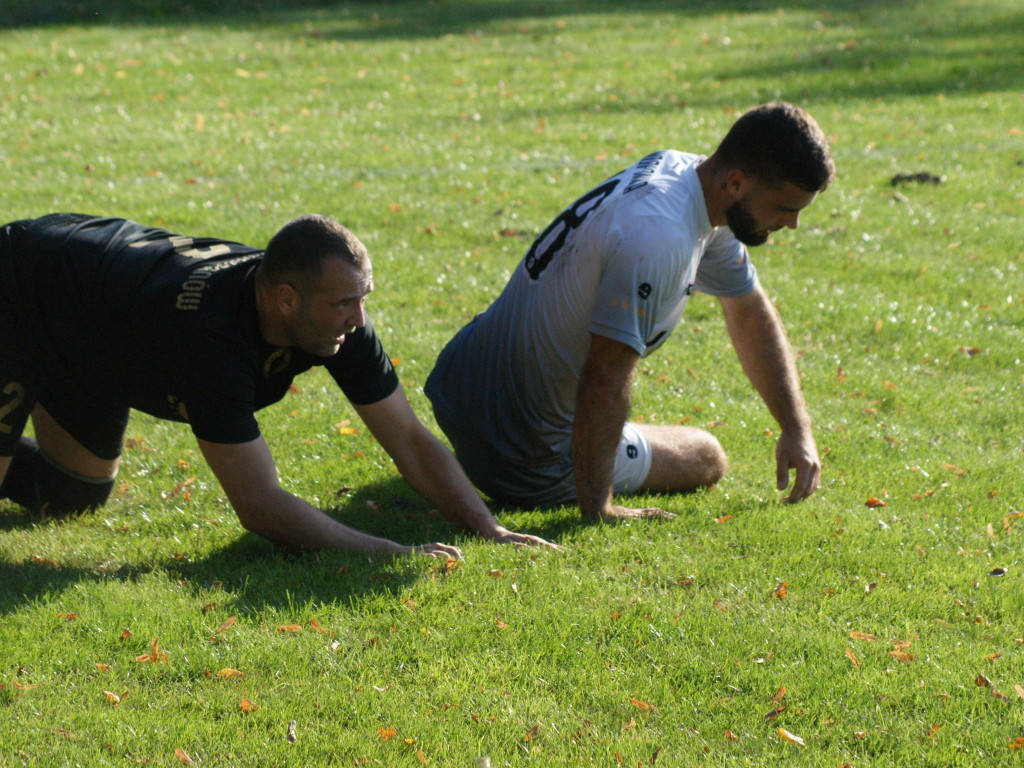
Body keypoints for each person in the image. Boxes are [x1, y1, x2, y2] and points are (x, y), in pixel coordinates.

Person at [0, 213, 555, 556]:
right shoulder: (212, 338)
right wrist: (387, 552)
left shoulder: (334, 321)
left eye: (363, 298)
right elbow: (258, 503)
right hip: (17, 288)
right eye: (346, 303)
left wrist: (487, 528)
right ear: (286, 300)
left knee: (73, 495)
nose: (359, 320)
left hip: (86, 335)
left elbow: (407, 437)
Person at [426, 102, 835, 522]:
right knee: (705, 454)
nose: (793, 224)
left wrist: (796, 428)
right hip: (522, 456)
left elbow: (749, 311)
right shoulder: (659, 239)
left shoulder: (687, 178)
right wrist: (599, 508)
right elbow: (604, 378)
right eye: (786, 208)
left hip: (458, 390)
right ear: (735, 182)